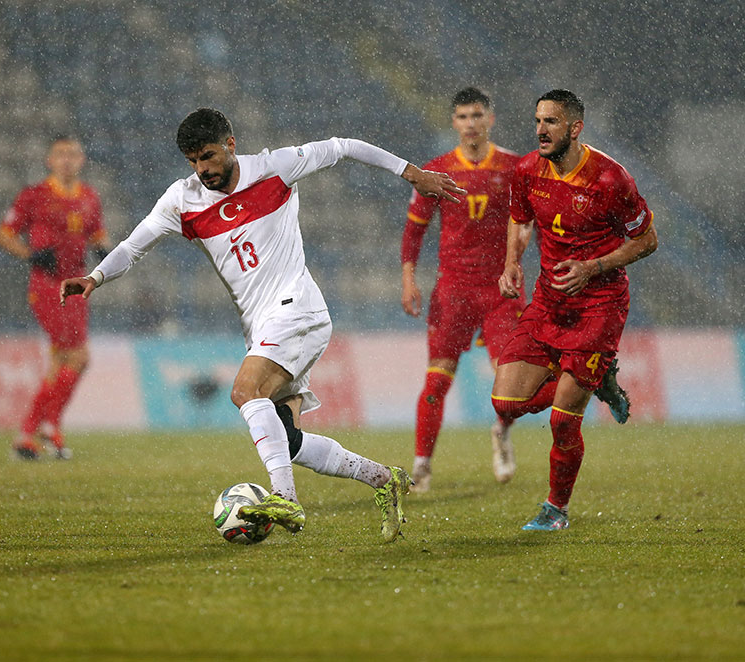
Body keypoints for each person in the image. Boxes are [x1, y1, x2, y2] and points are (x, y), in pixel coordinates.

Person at [61, 108, 465, 542]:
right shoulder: (183, 200)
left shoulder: (275, 167)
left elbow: (344, 147)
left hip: (297, 308)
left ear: (231, 145)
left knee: (244, 392)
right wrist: (94, 277)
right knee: (287, 441)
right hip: (265, 326)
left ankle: (285, 499)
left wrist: (411, 173)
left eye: (209, 156)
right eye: (194, 161)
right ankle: (385, 479)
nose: (203, 169)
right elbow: (132, 246)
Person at [491, 90, 658, 531]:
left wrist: (593, 267)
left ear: (575, 128)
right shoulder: (526, 170)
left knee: (564, 420)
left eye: (550, 122)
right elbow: (519, 218)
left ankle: (555, 509)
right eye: (537, 121)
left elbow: (647, 240)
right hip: (549, 300)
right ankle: (595, 377)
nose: (540, 130)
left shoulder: (609, 180)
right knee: (505, 402)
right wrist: (511, 266)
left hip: (598, 305)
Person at [400, 87, 527, 492]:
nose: (470, 124)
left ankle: (501, 434)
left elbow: (527, 222)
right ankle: (421, 465)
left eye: (477, 115)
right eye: (462, 117)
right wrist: (408, 280)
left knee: (512, 385)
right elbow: (414, 231)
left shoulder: (515, 167)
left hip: (501, 291)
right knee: (437, 382)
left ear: (491, 119)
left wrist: (514, 263)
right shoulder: (436, 171)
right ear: (453, 122)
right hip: (453, 291)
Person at [0, 135, 111, 460]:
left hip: (78, 285)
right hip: (48, 285)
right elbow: (4, 234)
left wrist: (103, 247)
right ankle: (48, 426)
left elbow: (96, 231)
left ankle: (29, 435)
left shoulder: (90, 196)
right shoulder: (34, 195)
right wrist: (31, 254)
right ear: (49, 159)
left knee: (61, 361)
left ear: (82, 160)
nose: (67, 160)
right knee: (78, 357)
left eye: (73, 154)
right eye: (60, 154)